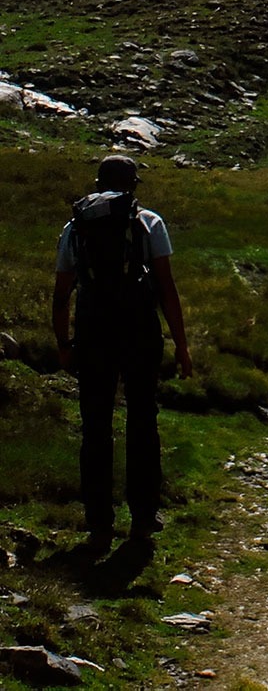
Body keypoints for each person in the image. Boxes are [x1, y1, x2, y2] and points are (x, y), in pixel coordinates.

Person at [52, 155, 193, 553]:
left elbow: (62, 295)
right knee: (142, 418)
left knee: (95, 424)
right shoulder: (148, 222)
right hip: (138, 330)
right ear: (133, 185)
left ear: (98, 184)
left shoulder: (75, 227)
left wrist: (64, 345)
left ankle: (98, 523)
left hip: (93, 331)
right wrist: (181, 345)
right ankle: (143, 519)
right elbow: (166, 288)